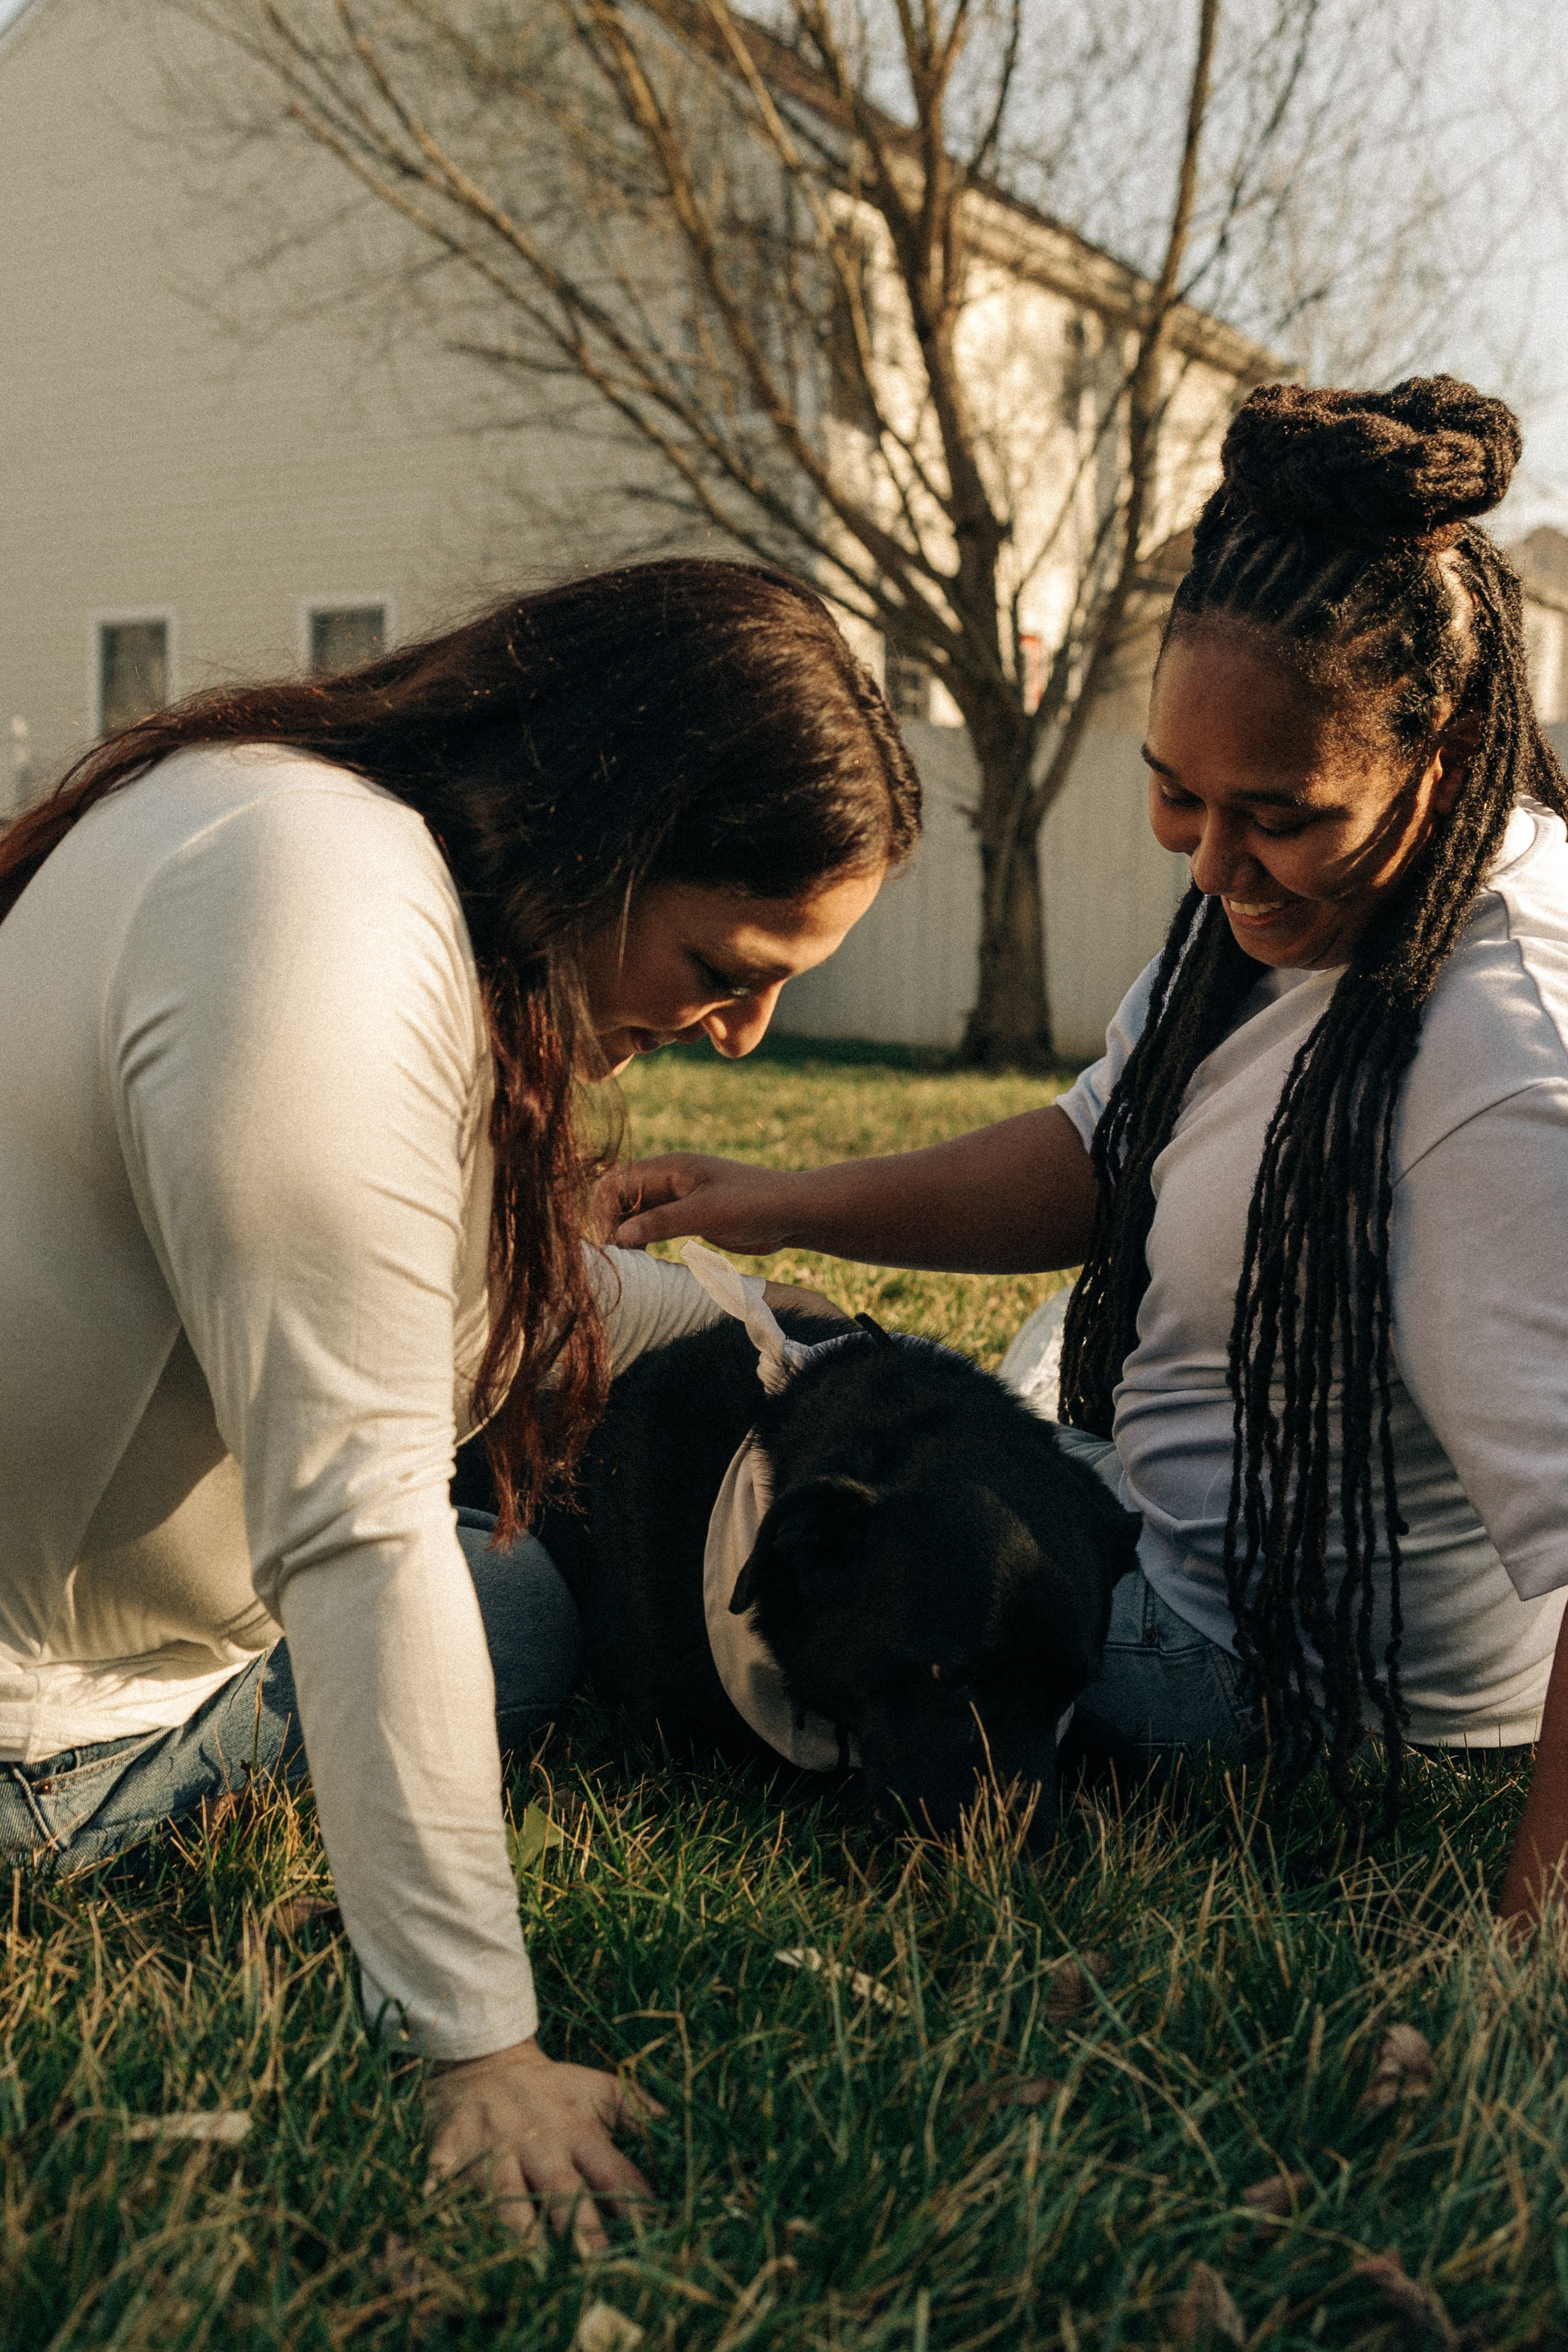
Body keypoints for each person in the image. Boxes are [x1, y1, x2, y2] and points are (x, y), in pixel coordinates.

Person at [0, 557, 919, 2242]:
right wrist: (477, 2047)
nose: (743, 1031)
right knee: (507, 1611)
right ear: (609, 831)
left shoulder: (298, 827)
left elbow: (449, 1300)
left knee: (504, 1597)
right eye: (725, 962)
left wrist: (747, 1318)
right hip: (45, 1742)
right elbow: (357, 1522)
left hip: (77, 1657)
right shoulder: (315, 922)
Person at [602, 377, 1568, 1926]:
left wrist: (1527, 1951)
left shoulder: (1499, 1057)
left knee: (728, 1497)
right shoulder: (1288, 907)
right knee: (834, 1362)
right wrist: (781, 1204)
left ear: (1441, 755)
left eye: (1274, 817)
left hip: (1273, 1671)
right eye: (1174, 796)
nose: (1213, 863)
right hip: (1168, 1515)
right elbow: (1105, 1155)